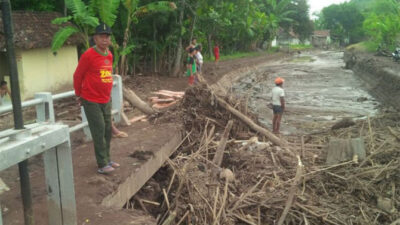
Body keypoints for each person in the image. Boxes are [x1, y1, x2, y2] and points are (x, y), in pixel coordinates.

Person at [73, 23, 120, 174]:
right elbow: (78, 75)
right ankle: (102, 164)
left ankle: (107, 158)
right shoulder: (88, 55)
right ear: (95, 38)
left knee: (107, 130)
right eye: (102, 36)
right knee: (99, 129)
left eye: (107, 37)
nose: (105, 39)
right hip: (91, 99)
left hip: (106, 98)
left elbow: (107, 75)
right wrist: (78, 94)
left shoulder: (110, 55)